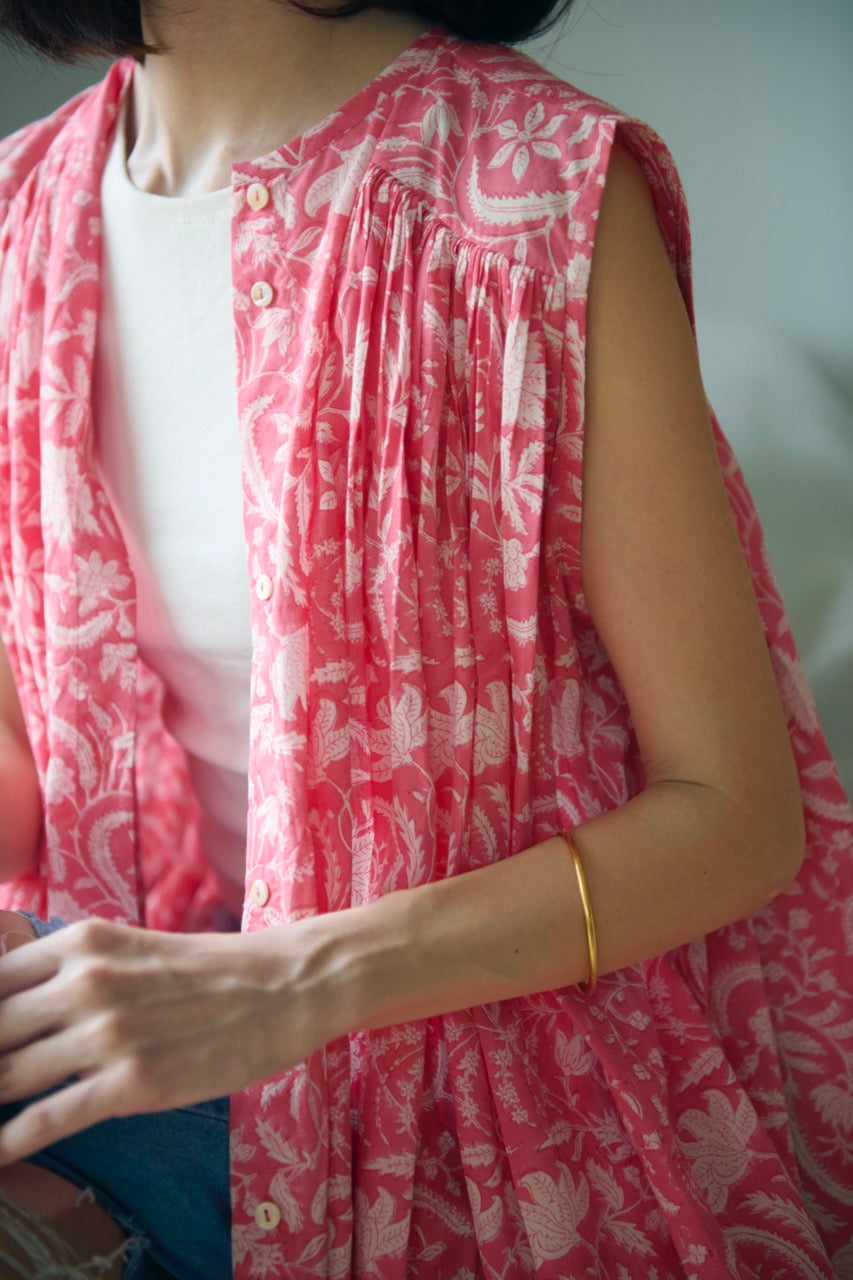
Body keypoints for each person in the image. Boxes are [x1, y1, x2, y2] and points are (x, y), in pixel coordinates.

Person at [0, 0, 850, 1276]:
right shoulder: (19, 213)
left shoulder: (534, 185)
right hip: (123, 1041)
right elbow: (32, 762)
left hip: (485, 1095)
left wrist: (286, 983)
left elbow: (732, 812)